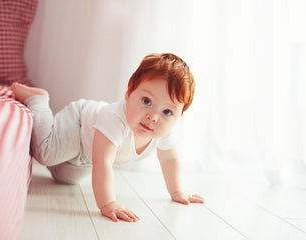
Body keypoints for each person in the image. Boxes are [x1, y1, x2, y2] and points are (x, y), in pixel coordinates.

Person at [11, 53, 205, 223]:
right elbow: (102, 162)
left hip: (86, 153)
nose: (153, 117)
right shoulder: (113, 119)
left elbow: (169, 159)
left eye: (167, 112)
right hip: (79, 124)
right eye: (147, 101)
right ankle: (39, 101)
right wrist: (108, 203)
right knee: (46, 154)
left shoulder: (163, 132)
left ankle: (65, 157)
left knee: (66, 178)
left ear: (179, 116)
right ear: (129, 92)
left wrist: (177, 191)